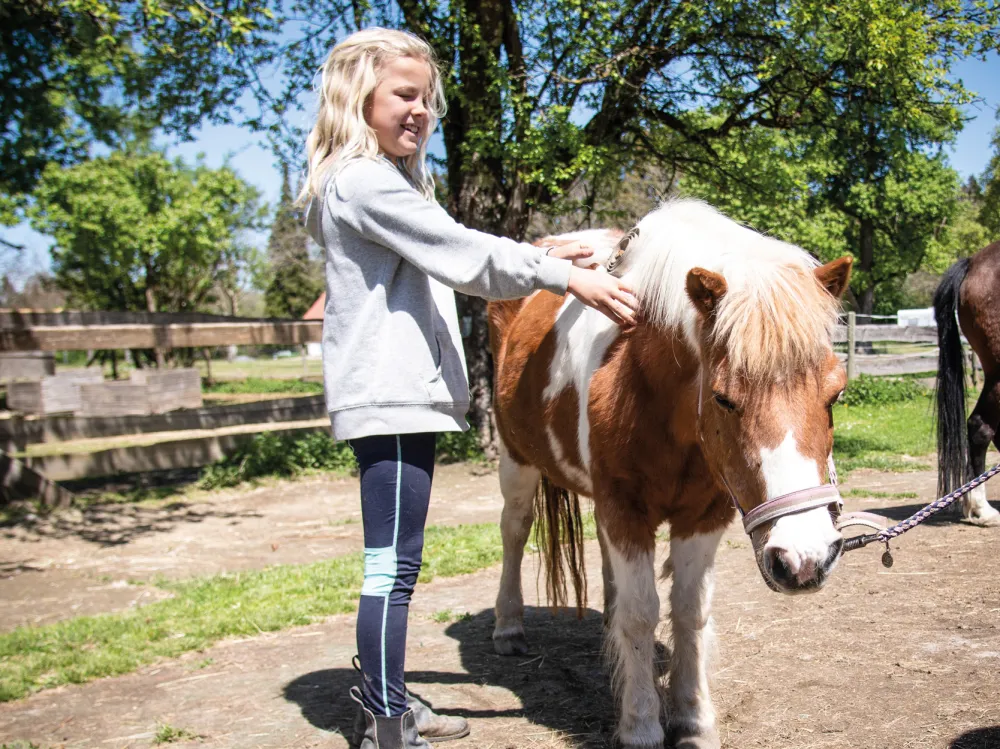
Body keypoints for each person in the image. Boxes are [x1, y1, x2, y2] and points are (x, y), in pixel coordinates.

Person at [301, 27, 639, 749]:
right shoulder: (361, 181)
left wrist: (545, 253)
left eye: (426, 98)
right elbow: (463, 254)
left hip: (397, 398)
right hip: (388, 398)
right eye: (404, 94)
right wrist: (567, 275)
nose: (420, 110)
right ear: (357, 95)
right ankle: (387, 723)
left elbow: (448, 239)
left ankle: (385, 698)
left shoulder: (378, 185)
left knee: (397, 563)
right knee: (391, 566)